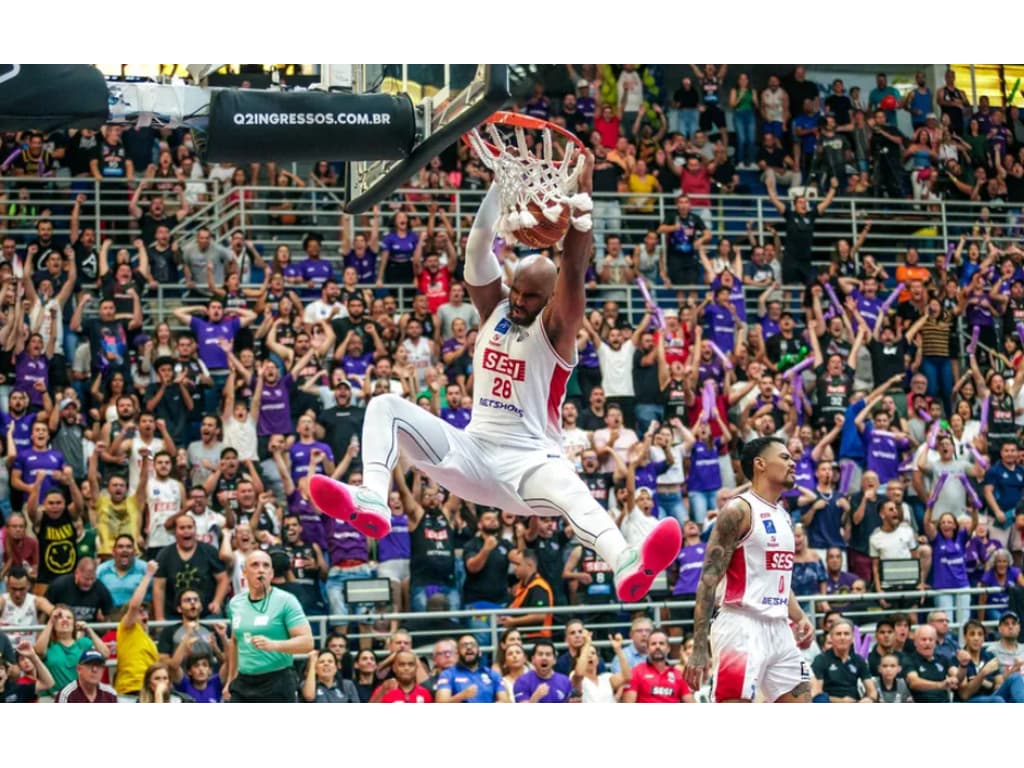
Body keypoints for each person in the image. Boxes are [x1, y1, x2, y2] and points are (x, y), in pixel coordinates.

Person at [308, 159, 681, 605]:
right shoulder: (496, 309)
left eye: (530, 296)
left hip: (531, 463)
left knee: (571, 490)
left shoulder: (558, 328)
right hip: (474, 453)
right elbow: (477, 248)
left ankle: (625, 562)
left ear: (549, 299)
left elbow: (575, 268)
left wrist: (582, 205)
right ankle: (371, 496)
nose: (519, 300)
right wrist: (500, 188)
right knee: (385, 405)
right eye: (517, 289)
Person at [684, 436, 815, 702]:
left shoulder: (784, 515)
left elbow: (776, 577)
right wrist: (699, 647)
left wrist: (800, 616)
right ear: (760, 464)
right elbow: (708, 580)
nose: (793, 463)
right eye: (785, 457)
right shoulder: (738, 510)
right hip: (741, 625)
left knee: (803, 699)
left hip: (780, 628)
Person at [223, 549, 314, 702]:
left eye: (266, 566)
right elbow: (235, 641)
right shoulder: (235, 603)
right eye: (255, 565)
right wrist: (230, 679)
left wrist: (275, 645)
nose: (261, 570)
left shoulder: (286, 601)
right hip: (243, 682)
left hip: (277, 680)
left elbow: (307, 642)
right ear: (244, 572)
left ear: (271, 574)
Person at [809, 618, 877, 702]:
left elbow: (872, 692)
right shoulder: (821, 659)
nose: (842, 637)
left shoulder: (859, 660)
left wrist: (868, 699)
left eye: (846, 634)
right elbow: (816, 694)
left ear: (852, 637)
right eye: (838, 634)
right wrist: (841, 701)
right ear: (831, 637)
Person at [622, 629, 694, 703]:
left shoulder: (678, 675)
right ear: (647, 649)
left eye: (661, 643)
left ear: (668, 648)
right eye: (653, 644)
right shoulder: (636, 672)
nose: (657, 646)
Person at [434, 634, 508, 703]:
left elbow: (505, 702)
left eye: (473, 645)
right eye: (464, 645)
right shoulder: (448, 674)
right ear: (458, 654)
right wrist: (462, 696)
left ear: (480, 652)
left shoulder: (493, 674)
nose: (469, 648)